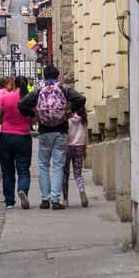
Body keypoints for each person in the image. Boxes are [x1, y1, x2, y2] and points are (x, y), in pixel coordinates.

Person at [18, 64, 85, 209]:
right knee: (58, 166)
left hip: (44, 131)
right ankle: (55, 199)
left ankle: (44, 199)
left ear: (44, 76)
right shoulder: (63, 88)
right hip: (60, 130)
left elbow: (22, 104)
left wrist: (33, 114)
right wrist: (70, 111)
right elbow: (81, 99)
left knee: (43, 165)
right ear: (57, 75)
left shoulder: (38, 89)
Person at [0, 75, 33, 209]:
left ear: (14, 84)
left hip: (6, 135)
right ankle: (22, 189)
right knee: (23, 168)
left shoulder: (5, 97)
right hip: (23, 136)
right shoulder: (28, 99)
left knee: (7, 170)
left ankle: (9, 202)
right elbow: (34, 119)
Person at [61, 98, 89, 208]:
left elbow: (65, 135)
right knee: (78, 174)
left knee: (65, 174)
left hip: (67, 148)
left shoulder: (68, 120)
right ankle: (82, 190)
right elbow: (86, 135)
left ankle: (65, 199)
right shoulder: (83, 120)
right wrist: (85, 149)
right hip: (80, 147)